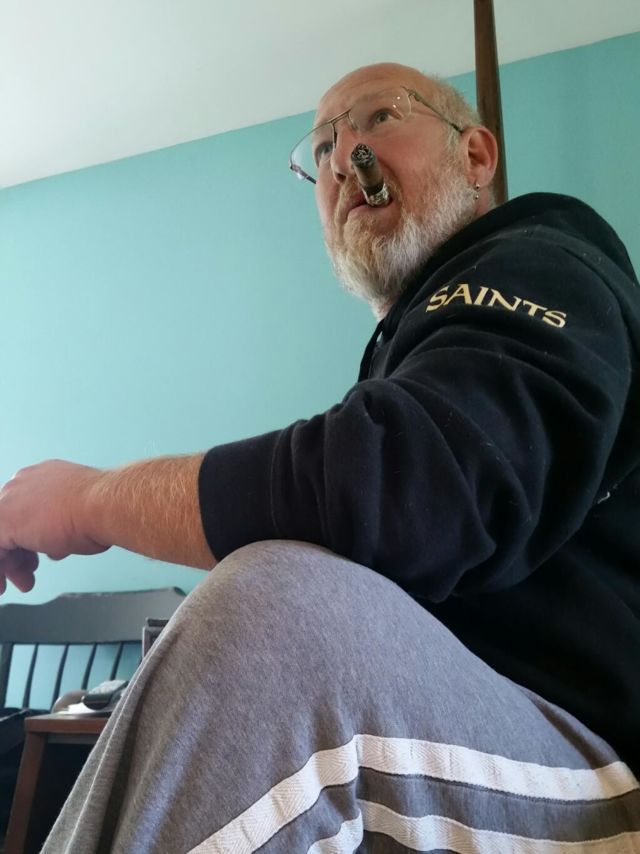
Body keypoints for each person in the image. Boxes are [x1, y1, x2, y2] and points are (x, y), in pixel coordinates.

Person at [1, 62, 639, 852]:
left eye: (378, 119)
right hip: (481, 727)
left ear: (475, 156)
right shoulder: (418, 348)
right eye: (324, 147)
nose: (343, 158)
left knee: (275, 611)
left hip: (597, 760)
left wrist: (91, 500)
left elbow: (403, 486)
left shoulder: (542, 259)